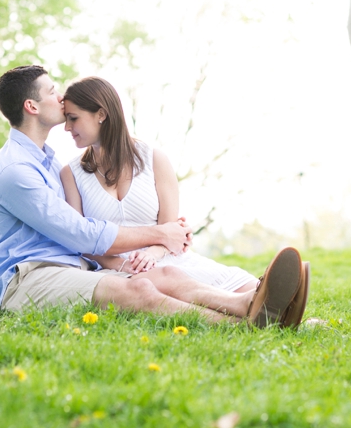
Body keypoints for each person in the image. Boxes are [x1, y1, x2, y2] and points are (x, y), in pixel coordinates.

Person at [0, 64, 309, 327]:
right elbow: (78, 232)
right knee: (138, 289)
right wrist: (161, 233)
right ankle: (243, 326)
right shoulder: (15, 171)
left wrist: (167, 237)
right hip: (30, 277)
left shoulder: (45, 160)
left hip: (72, 269)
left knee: (166, 274)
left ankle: (249, 304)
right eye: (52, 91)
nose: (61, 98)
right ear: (32, 105)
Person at [59, 76, 263, 293]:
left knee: (247, 285)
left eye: (73, 118)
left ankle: (287, 312)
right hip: (113, 270)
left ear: (101, 114)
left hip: (163, 257)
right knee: (188, 293)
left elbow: (170, 228)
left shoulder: (154, 159)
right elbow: (80, 240)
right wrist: (120, 264)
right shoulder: (71, 173)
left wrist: (150, 255)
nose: (67, 127)